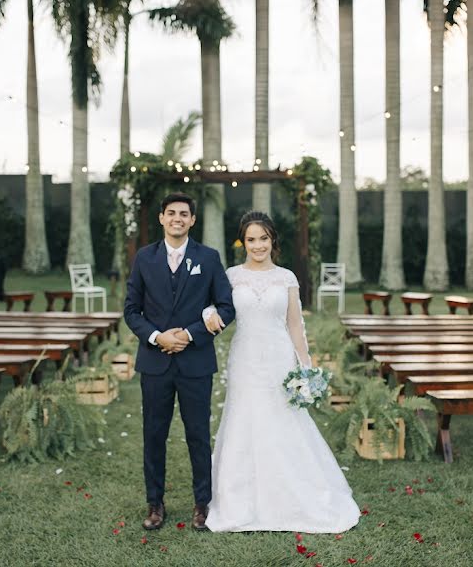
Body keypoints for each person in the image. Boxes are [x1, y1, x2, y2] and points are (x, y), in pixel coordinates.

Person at [202, 211, 360, 533]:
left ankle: (294, 497)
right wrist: (208, 313)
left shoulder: (287, 277)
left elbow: (294, 325)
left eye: (263, 238)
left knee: (285, 423)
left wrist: (305, 365)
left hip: (279, 360)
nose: (257, 245)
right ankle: (237, 501)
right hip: (245, 359)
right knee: (243, 422)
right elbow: (210, 305)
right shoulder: (230, 275)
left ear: (272, 240)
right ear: (242, 242)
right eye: (251, 239)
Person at [123, 192, 235, 532]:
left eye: (184, 214)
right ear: (161, 218)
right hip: (154, 364)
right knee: (154, 436)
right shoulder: (144, 258)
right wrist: (158, 337)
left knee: (198, 435)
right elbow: (131, 310)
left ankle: (203, 504)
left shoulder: (210, 258)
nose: (177, 218)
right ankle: (155, 504)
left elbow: (226, 308)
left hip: (196, 364)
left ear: (192, 220)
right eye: (171, 213)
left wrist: (188, 334)